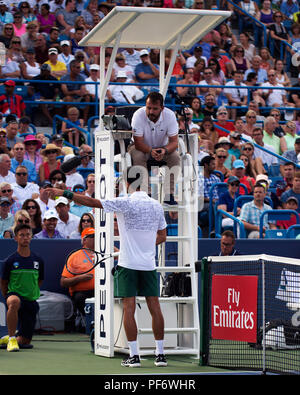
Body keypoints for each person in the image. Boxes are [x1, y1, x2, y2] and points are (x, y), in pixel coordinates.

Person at [48, 167, 168, 368]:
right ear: (145, 183)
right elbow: (162, 236)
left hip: (128, 263)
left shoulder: (124, 201)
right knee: (155, 307)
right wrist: (145, 246)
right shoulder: (156, 206)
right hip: (148, 264)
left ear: (128, 184)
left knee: (129, 308)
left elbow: (92, 202)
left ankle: (135, 356)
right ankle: (161, 355)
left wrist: (65, 193)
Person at [129, 92, 180, 205]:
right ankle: (146, 194)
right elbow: (138, 143)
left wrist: (164, 150)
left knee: (175, 157)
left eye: (155, 108)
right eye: (148, 108)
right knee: (138, 155)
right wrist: (150, 151)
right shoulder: (138, 115)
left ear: (162, 108)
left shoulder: (170, 116)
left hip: (162, 148)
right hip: (140, 148)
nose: (151, 111)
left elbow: (174, 142)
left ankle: (169, 194)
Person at [0, 223, 44, 351]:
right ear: (16, 238)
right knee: (14, 301)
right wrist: (8, 296)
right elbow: (3, 282)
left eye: (28, 235)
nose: (25, 237)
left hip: (30, 301)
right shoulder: (10, 260)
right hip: (14, 295)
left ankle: (8, 338)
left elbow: (40, 280)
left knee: (25, 341)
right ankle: (12, 339)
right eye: (22, 235)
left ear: (31, 237)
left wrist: (31, 292)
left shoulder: (38, 260)